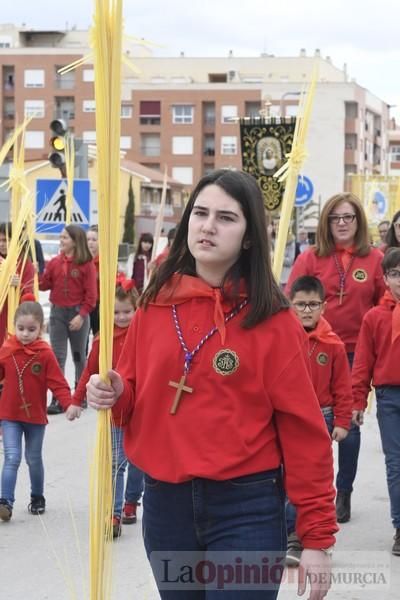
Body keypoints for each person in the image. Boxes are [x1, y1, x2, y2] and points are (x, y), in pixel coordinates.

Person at [87, 169, 337, 600]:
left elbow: (304, 433)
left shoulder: (275, 324)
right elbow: (132, 392)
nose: (207, 226)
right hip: (167, 504)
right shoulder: (153, 306)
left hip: (247, 507)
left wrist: (315, 538)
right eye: (200, 213)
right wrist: (112, 392)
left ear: (248, 236)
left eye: (226, 217)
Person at [286, 192, 386, 524]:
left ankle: (343, 491)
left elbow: (382, 304)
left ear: (358, 221)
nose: (341, 224)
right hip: (315, 349)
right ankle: (313, 493)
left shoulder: (373, 258)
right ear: (326, 223)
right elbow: (291, 302)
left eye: (348, 217)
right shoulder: (310, 258)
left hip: (358, 353)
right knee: (314, 422)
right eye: (335, 218)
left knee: (350, 426)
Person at [285, 275, 353, 567]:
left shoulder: (333, 345)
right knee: (289, 476)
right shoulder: (284, 339)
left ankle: (318, 536)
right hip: (289, 415)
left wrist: (342, 421)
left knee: (318, 477)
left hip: (322, 416)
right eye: (300, 304)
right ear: (290, 305)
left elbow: (343, 387)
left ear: (324, 307)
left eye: (313, 304)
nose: (307, 310)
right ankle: (292, 535)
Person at [73, 277, 143, 538]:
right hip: (114, 411)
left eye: (127, 311)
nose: (122, 317)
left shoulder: (144, 336)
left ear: (137, 309)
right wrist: (75, 400)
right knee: (115, 464)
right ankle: (113, 514)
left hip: (142, 410)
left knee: (139, 462)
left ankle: (131, 501)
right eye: (115, 312)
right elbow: (90, 372)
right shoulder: (102, 340)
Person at [0, 301, 80, 522]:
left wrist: (69, 404)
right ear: (14, 326)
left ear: (41, 328)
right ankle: (5, 501)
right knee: (12, 457)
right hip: (9, 416)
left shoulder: (44, 354)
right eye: (21, 328)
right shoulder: (7, 350)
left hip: (34, 416)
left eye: (31, 329)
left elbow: (57, 382)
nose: (25, 334)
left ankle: (37, 497)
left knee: (33, 458)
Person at [352, 247, 400, 556]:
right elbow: (363, 362)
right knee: (396, 463)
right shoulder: (375, 317)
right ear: (384, 278)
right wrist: (358, 400)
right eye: (395, 274)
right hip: (388, 397)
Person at [39, 225, 97, 415]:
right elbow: (44, 285)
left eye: (64, 237)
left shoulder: (86, 264)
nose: (61, 240)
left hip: (77, 313)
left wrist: (81, 315)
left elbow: (91, 295)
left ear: (74, 240)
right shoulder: (55, 262)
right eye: (61, 237)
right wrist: (36, 272)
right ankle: (58, 397)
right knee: (57, 357)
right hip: (58, 314)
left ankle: (80, 395)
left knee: (79, 356)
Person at [0, 222, 35, 346]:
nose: (1, 244)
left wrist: (18, 287)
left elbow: (29, 298)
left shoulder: (24, 264)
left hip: (12, 319)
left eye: (5, 240)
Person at [86, 225, 100, 336]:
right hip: (84, 304)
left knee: (98, 336)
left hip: (99, 304)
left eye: (94, 240)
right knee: (83, 340)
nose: (90, 243)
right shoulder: (81, 260)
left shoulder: (105, 262)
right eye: (88, 239)